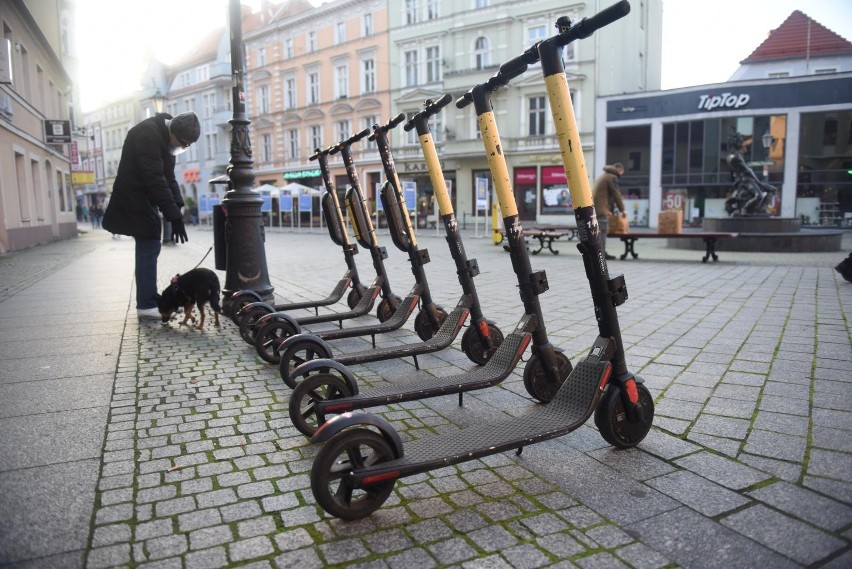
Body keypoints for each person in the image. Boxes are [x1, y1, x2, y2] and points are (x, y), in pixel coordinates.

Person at [103, 111, 200, 320]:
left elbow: (169, 178)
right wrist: (172, 216)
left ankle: (148, 298)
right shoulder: (147, 135)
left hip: (143, 196)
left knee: (150, 244)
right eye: (183, 143)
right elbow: (155, 178)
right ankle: (146, 305)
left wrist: (178, 210)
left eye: (187, 145)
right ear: (172, 132)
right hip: (133, 196)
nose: (183, 147)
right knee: (149, 243)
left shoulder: (164, 139)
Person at [592, 162, 626, 260]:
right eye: (622, 172)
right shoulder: (612, 177)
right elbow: (616, 194)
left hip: (597, 208)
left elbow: (606, 195)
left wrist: (609, 209)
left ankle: (599, 253)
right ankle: (601, 254)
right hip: (600, 209)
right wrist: (622, 210)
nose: (621, 175)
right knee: (603, 230)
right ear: (620, 170)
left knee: (600, 231)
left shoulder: (604, 176)